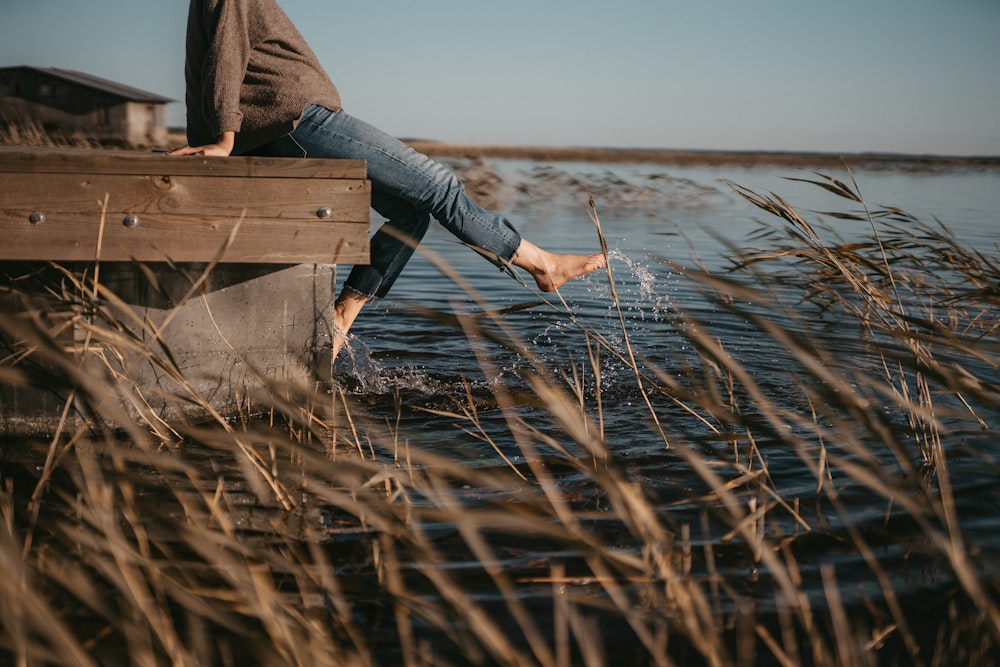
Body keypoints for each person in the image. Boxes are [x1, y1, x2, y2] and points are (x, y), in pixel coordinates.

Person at [171, 0, 606, 362]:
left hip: (292, 123)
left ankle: (341, 318)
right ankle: (543, 265)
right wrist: (224, 138)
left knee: (410, 209)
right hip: (297, 120)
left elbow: (212, 59)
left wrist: (220, 135)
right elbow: (223, 57)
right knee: (439, 185)